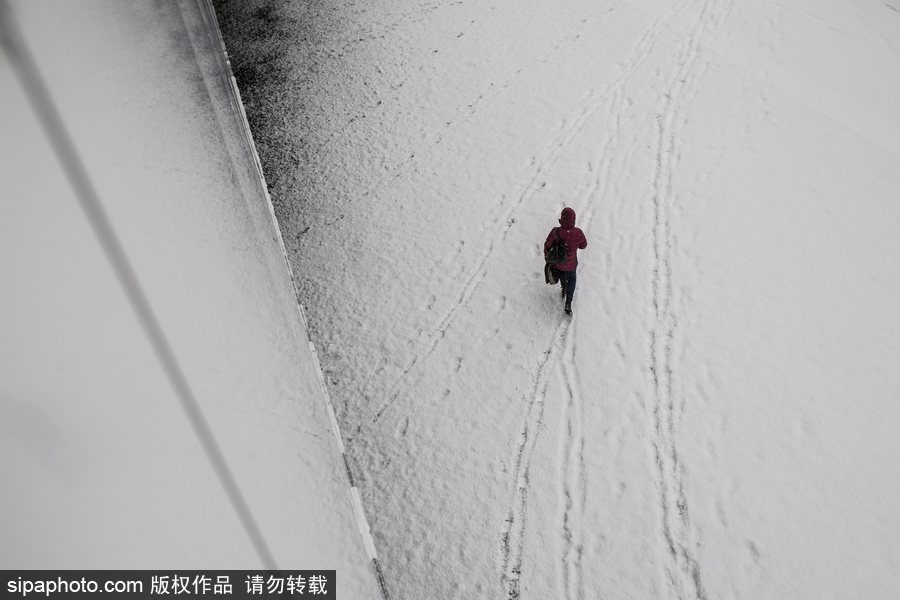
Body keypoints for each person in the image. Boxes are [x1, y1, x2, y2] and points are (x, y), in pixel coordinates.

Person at [544, 207, 587, 315]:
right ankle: (568, 303)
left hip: (558, 264)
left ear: (561, 219)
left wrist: (547, 257)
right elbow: (583, 246)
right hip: (571, 265)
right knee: (572, 280)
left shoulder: (555, 232)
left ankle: (563, 288)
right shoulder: (578, 233)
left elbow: (547, 245)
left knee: (562, 274)